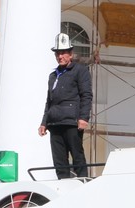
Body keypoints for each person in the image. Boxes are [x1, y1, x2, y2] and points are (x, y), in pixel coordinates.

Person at [39, 32, 93, 179]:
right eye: (57, 53)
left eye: (63, 53)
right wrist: (44, 122)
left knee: (77, 155)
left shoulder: (80, 71)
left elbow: (86, 95)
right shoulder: (53, 75)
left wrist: (84, 118)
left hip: (71, 122)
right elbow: (49, 101)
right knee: (59, 160)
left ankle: (82, 182)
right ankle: (62, 183)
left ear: (70, 54)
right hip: (55, 122)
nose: (60, 56)